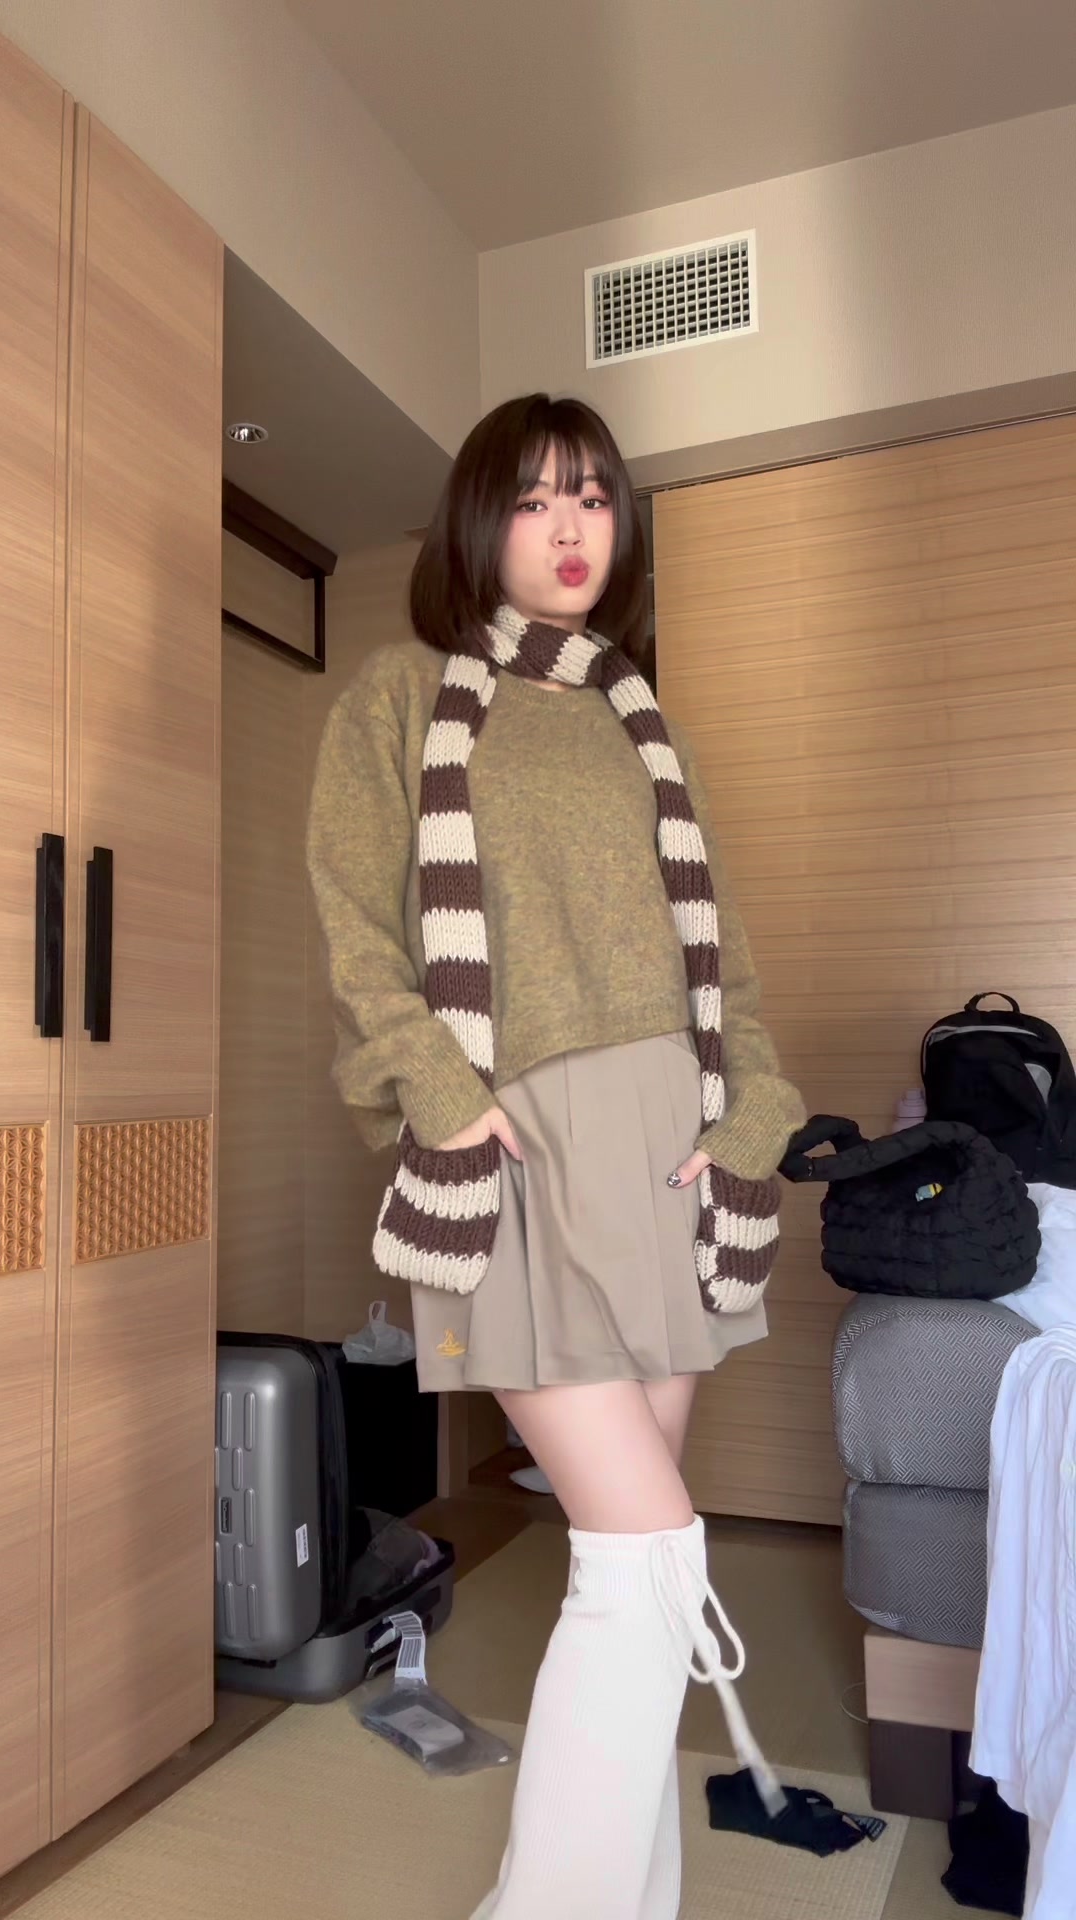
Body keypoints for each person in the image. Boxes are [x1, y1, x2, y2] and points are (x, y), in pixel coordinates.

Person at [307, 393, 805, 1918]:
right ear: (480, 523)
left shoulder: (642, 721)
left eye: (592, 495)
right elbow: (358, 926)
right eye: (533, 498)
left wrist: (748, 1122)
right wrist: (441, 1093)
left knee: (633, 1572)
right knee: (651, 1551)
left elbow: (726, 963)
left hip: (666, 1157)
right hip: (512, 1150)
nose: (571, 525)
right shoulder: (404, 694)